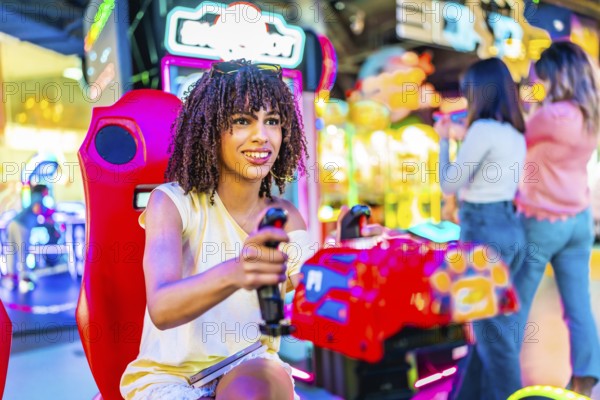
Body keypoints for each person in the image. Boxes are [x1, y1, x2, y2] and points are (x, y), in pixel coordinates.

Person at [120, 60, 384, 400]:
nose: (262, 135)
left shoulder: (284, 215)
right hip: (172, 380)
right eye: (242, 121)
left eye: (272, 121)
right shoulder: (171, 202)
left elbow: (315, 297)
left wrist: (349, 257)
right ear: (211, 129)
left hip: (250, 366)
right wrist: (237, 271)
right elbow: (162, 307)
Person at [435, 57, 527, 400]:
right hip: (509, 228)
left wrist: (444, 140)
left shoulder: (483, 130)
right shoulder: (514, 131)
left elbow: (449, 184)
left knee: (491, 334)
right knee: (488, 327)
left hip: (483, 231)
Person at [513, 41, 600, 396]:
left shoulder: (551, 116)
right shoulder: (589, 114)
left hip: (542, 221)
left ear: (555, 75)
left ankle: (498, 381)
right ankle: (585, 380)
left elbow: (516, 140)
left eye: (542, 76)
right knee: (578, 306)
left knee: (513, 306)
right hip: (578, 219)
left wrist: (527, 98)